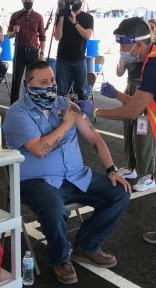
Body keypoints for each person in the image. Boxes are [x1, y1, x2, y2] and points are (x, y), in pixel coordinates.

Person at [3, 61, 131, 284]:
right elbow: (40, 150)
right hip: (36, 181)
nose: (51, 86)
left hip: (75, 175)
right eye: (43, 82)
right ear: (28, 84)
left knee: (119, 192)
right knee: (54, 209)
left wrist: (112, 170)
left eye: (52, 80)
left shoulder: (64, 103)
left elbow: (94, 138)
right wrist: (66, 123)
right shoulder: (17, 113)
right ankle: (60, 258)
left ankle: (86, 245)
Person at [77, 17, 156, 244]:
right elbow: (141, 103)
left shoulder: (153, 64)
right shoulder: (149, 59)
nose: (120, 49)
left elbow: (132, 112)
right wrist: (117, 95)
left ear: (137, 44)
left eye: (122, 44)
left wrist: (95, 112)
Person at [111, 58, 156, 192]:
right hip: (130, 86)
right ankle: (131, 167)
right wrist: (122, 58)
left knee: (143, 135)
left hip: (145, 90)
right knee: (128, 130)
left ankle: (150, 176)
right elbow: (119, 72)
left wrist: (97, 112)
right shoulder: (129, 49)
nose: (122, 46)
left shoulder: (150, 52)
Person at [7, 0, 46, 104]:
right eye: (25, 0)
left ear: (33, 0)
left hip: (33, 52)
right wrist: (14, 31)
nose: (28, 2)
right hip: (19, 51)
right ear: (22, 1)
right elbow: (8, 35)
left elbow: (43, 37)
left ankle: (32, 105)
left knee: (33, 81)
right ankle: (13, 107)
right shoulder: (15, 15)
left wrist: (42, 54)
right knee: (16, 80)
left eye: (30, 0)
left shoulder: (39, 17)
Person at [54, 0, 93, 100]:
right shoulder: (62, 16)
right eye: (73, 0)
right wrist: (61, 15)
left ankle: (82, 116)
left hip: (79, 59)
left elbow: (87, 35)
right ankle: (60, 115)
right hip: (63, 59)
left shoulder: (87, 18)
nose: (75, 2)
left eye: (77, 0)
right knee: (60, 91)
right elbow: (57, 37)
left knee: (82, 91)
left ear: (82, 0)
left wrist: (75, 22)